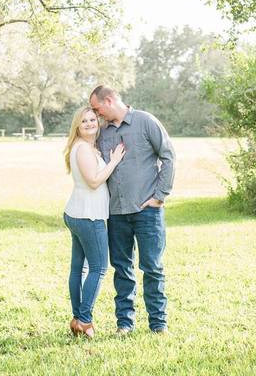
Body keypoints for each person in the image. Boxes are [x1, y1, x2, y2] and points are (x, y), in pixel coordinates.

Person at [89, 85, 175, 334]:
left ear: (110, 99)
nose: (96, 114)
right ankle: (125, 324)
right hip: (116, 213)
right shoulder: (102, 133)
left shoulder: (145, 121)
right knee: (122, 268)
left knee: (152, 267)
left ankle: (158, 324)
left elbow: (169, 156)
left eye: (97, 108)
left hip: (147, 211)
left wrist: (160, 196)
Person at [62, 106, 125, 339]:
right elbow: (94, 181)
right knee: (98, 268)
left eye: (92, 119)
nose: (89, 123)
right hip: (89, 216)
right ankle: (85, 320)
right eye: (84, 121)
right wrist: (114, 161)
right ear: (77, 126)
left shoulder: (84, 146)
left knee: (79, 268)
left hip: (77, 213)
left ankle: (77, 318)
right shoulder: (83, 149)